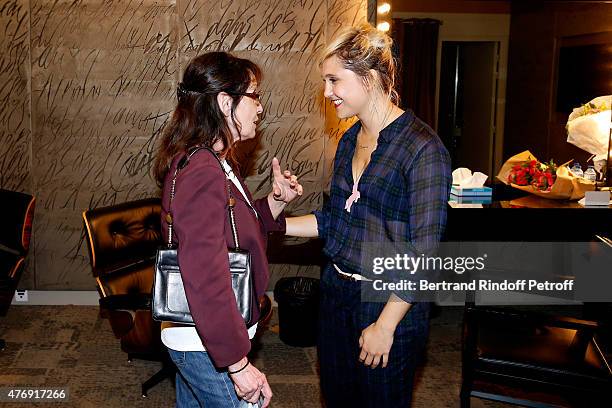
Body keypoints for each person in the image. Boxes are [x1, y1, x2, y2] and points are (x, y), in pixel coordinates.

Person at [285, 24, 452, 407]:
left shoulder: (422, 149)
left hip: (387, 301)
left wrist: (385, 324)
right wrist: (266, 223)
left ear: (370, 77)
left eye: (334, 80)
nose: (327, 93)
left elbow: (424, 254)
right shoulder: (349, 139)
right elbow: (334, 221)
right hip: (336, 293)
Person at [154, 52, 303, 408]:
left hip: (198, 340)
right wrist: (237, 364)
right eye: (254, 96)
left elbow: (236, 233)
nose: (260, 108)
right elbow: (204, 273)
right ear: (225, 102)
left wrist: (275, 203)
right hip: (207, 345)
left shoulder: (206, 159)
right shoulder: (204, 170)